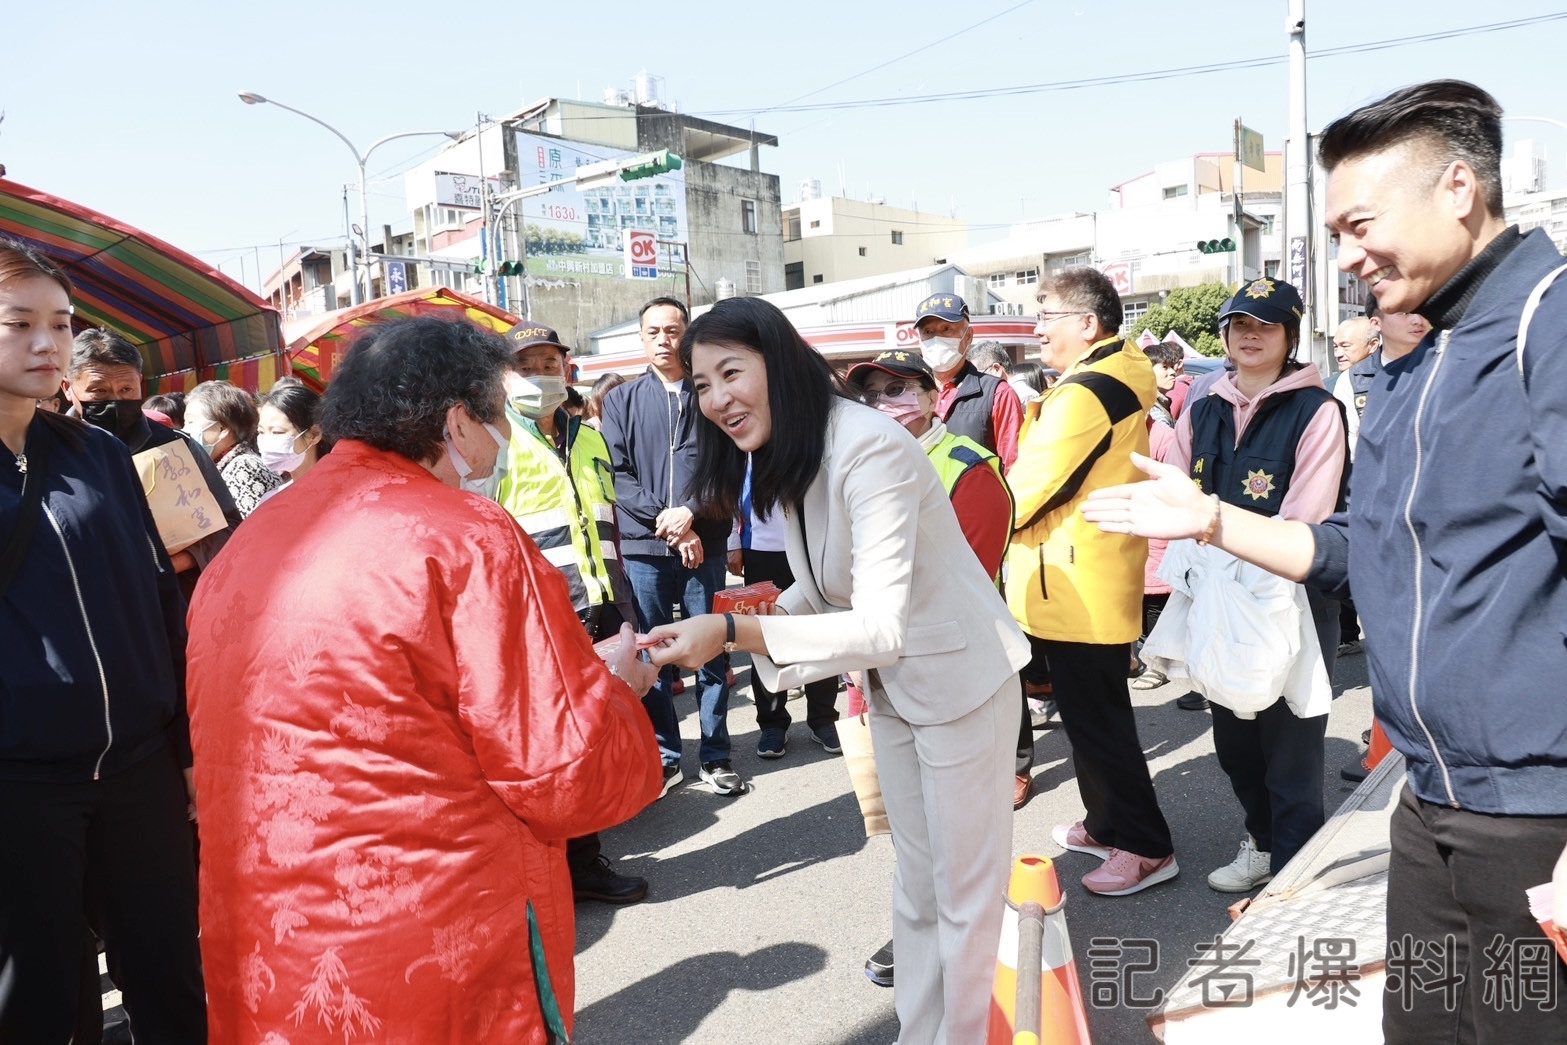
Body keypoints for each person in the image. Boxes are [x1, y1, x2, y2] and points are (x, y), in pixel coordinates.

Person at [1083, 80, 1567, 1042]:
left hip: (1536, 812)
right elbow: (1359, 546)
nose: (1346, 255)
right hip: (1429, 794)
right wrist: (1210, 520)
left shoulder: (1543, 327)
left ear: (1458, 187)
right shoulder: (1419, 358)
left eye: (1359, 224)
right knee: (1424, 1026)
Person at [186, 316, 663, 1044]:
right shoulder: (468, 537)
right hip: (430, 926)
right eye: (497, 414)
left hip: (269, 930)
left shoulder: (255, 537)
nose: (503, 435)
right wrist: (616, 689)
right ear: (456, 421)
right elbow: (562, 771)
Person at [647, 296, 1030, 1045]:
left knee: (964, 897)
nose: (717, 397)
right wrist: (752, 618)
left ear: (780, 362)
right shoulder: (792, 450)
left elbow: (879, 623)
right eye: (700, 383)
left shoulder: (870, 446)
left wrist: (730, 628)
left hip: (959, 683)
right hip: (894, 689)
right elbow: (825, 586)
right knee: (917, 888)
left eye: (731, 371)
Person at [0, 238, 206, 1041]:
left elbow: (160, 602)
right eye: (19, 324)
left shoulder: (104, 456)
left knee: (170, 976)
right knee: (45, 999)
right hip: (20, 787)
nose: (47, 344)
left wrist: (185, 745)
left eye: (60, 323)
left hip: (138, 771)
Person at [1166, 277, 1348, 892]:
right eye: (1239, 322)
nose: (1250, 334)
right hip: (1219, 597)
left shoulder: (1317, 411)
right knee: (1235, 740)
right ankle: (1264, 842)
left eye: (1266, 324)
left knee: (1291, 748)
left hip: (1288, 596)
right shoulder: (1200, 408)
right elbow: (1178, 496)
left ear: (1289, 335)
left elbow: (1309, 515)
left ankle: (1293, 879)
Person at [1006, 266, 1178, 897]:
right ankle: (1108, 823)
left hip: (1074, 580)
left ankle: (1145, 845)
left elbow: (1029, 488)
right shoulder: (1124, 368)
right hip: (1088, 573)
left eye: (1046, 317)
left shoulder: (1083, 393)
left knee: (1100, 724)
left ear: (1086, 323)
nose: (1037, 330)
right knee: (1088, 718)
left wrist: (977, 523)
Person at [492, 322, 650, 905]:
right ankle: (571, 863)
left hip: (602, 606)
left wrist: (622, 605)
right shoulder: (498, 443)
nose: (541, 376)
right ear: (504, 378)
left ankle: (581, 858)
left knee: (594, 735)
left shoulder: (589, 439)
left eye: (549, 364)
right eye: (527, 366)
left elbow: (603, 528)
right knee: (559, 742)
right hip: (542, 614)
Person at [600, 296, 745, 797]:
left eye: (673, 329)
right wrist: (671, 526)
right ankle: (665, 754)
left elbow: (731, 467)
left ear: (688, 334)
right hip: (645, 547)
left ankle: (716, 754)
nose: (664, 338)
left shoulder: (710, 396)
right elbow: (615, 476)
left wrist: (693, 513)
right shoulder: (620, 401)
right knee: (653, 652)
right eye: (654, 331)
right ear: (642, 339)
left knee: (713, 650)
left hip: (705, 539)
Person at [63, 328, 241, 599]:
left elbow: (227, 528)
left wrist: (163, 566)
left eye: (126, 389)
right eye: (98, 391)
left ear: (140, 385)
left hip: (166, 604)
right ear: (68, 387)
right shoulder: (44, 453)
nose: (116, 401)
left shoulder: (177, 448)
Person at [728, 461, 842, 760]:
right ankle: (772, 723)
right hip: (761, 548)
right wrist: (732, 541)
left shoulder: (806, 427)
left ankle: (823, 718)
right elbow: (730, 480)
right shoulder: (745, 431)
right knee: (763, 635)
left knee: (818, 631)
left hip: (811, 544)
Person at [912, 293, 1023, 471]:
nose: (937, 339)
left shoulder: (997, 394)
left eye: (946, 329)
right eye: (928, 332)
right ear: (919, 340)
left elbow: (1015, 467)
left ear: (968, 336)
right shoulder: (908, 393)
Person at [184, 380, 284, 516]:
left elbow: (253, 529)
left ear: (222, 429)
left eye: (191, 422)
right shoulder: (221, 466)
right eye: (185, 422)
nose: (185, 430)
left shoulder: (244, 467)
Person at [256, 381, 331, 488]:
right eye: (261, 432)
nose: (266, 441)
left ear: (314, 434)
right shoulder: (271, 499)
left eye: (277, 432)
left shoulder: (344, 493)